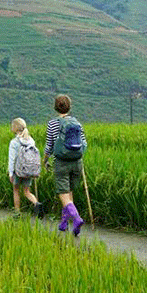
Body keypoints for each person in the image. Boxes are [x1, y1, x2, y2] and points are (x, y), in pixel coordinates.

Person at [43, 94, 87, 236]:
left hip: (61, 162)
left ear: (55, 107)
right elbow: (84, 143)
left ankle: (76, 218)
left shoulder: (52, 124)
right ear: (70, 106)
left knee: (63, 193)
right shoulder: (77, 123)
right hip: (77, 162)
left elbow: (49, 145)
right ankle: (65, 224)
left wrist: (45, 160)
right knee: (69, 193)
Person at [7, 118, 43, 218]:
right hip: (29, 170)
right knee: (27, 192)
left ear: (15, 128)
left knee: (16, 190)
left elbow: (12, 159)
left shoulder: (14, 142)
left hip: (18, 171)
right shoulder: (31, 140)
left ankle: (17, 213)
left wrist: (10, 173)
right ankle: (37, 204)